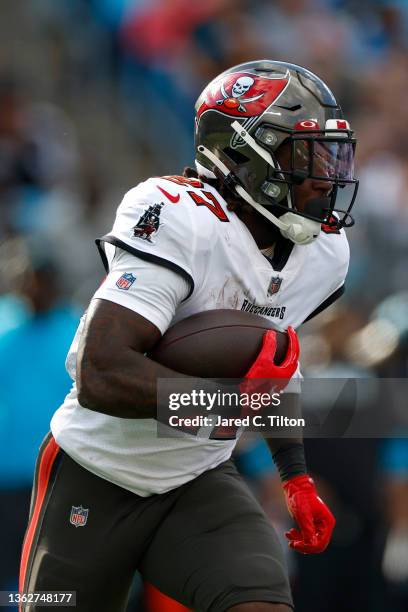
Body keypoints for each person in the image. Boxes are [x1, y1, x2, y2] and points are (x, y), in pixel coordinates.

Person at [19, 60, 358, 611]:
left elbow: (272, 365)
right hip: (98, 470)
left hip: (196, 477)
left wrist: (295, 478)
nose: (326, 174)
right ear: (246, 154)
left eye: (331, 154)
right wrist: (222, 408)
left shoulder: (324, 255)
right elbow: (101, 373)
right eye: (307, 154)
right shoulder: (177, 214)